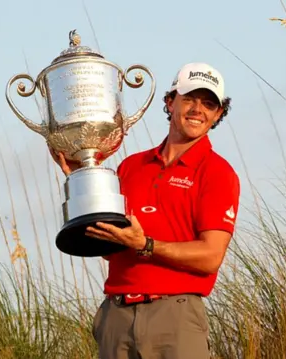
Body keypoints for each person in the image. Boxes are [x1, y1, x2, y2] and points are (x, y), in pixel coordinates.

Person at [50, 62, 240, 359]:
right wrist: (81, 178)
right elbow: (108, 246)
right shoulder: (130, 167)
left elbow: (210, 257)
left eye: (208, 104)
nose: (197, 110)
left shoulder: (217, 172)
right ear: (170, 101)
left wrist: (146, 245)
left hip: (175, 317)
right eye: (189, 98)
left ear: (218, 114)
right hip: (117, 316)